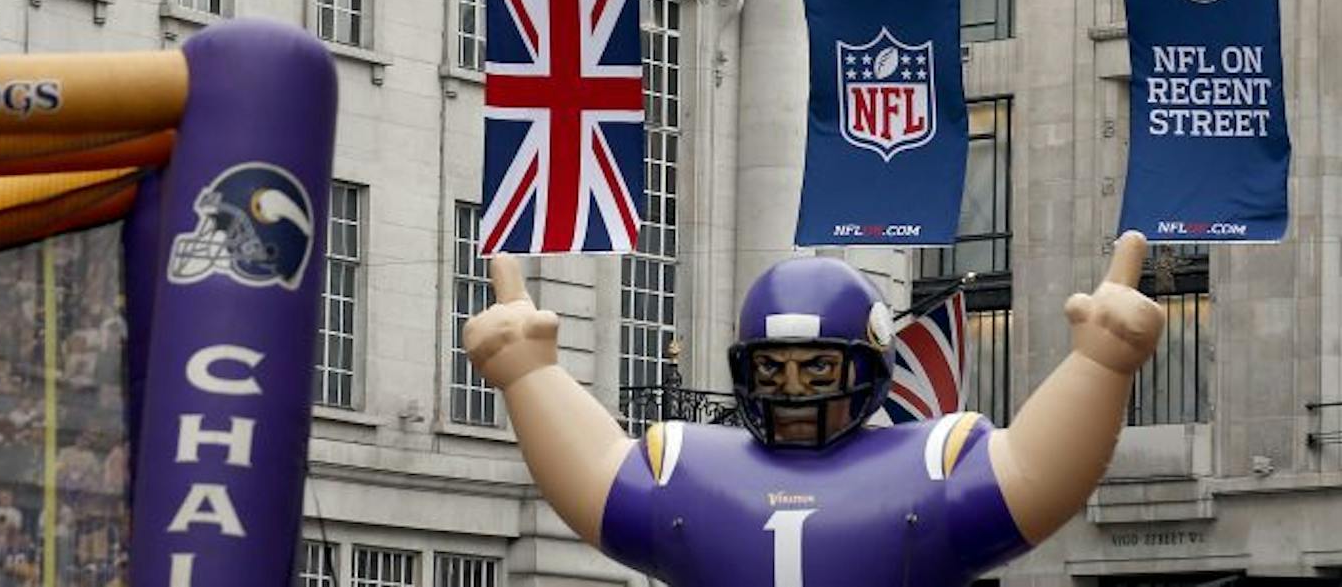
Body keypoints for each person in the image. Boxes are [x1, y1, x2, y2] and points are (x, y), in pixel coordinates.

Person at [464, 231, 1168, 586]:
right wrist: (529, 375)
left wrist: (1099, 364)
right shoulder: (686, 466)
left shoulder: (931, 461)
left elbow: (1037, 474)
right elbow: (595, 474)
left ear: (866, 364)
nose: (795, 387)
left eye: (816, 366)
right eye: (773, 368)